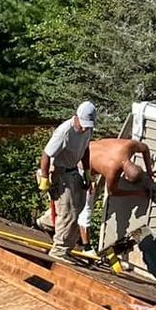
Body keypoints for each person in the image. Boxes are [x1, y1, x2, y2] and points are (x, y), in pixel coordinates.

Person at [86, 137, 156, 262]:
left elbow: (145, 148)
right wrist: (136, 193)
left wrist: (150, 172)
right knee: (84, 211)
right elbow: (112, 192)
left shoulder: (128, 145)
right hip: (81, 164)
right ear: (124, 175)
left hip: (88, 145)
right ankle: (85, 246)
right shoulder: (112, 170)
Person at [38, 101, 96, 260]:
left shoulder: (88, 130)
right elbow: (46, 155)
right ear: (77, 117)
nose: (85, 128)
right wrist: (44, 179)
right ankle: (59, 251)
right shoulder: (64, 131)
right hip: (57, 172)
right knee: (69, 212)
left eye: (88, 125)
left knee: (79, 206)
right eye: (83, 124)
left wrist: (87, 173)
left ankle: (46, 222)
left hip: (73, 171)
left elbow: (85, 150)